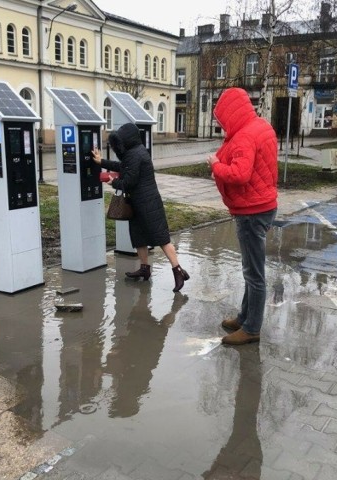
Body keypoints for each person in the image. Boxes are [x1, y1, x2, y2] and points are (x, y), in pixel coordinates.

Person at [207, 87, 278, 345]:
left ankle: (251, 329)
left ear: (230, 112)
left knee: (254, 274)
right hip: (263, 204)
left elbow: (240, 174)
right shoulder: (260, 126)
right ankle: (245, 317)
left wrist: (216, 165)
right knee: (252, 269)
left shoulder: (245, 136)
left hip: (252, 210)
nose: (221, 123)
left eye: (221, 117)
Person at [92, 123, 189, 292]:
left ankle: (178, 271)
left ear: (127, 139)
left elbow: (128, 182)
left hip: (148, 204)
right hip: (138, 204)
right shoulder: (136, 151)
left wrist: (112, 181)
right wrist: (102, 162)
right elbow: (123, 167)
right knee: (139, 238)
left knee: (162, 238)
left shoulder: (134, 155)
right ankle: (144, 269)